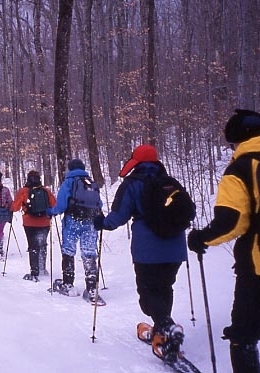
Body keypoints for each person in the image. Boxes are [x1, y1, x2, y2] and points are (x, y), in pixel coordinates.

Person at [187, 109, 260, 373]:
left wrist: (200, 238)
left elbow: (232, 221)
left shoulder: (240, 169)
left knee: (243, 336)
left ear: (238, 139)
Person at [93, 144, 186, 361]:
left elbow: (118, 216)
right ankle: (162, 328)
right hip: (175, 248)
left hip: (148, 249)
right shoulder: (171, 183)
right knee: (164, 287)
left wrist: (102, 223)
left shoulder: (133, 183)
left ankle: (166, 327)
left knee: (148, 294)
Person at [47, 159, 102, 302]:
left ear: (69, 169)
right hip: (90, 222)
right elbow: (99, 204)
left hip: (73, 221)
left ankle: (68, 284)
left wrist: (51, 212)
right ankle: (92, 289)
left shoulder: (68, 182)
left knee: (68, 251)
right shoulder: (90, 182)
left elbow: (61, 205)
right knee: (89, 253)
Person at [10, 170, 56, 281]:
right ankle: (42, 268)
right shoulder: (46, 191)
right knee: (42, 244)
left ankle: (34, 272)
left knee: (33, 245)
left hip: (29, 223)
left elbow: (15, 207)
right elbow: (55, 204)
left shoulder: (23, 191)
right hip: (44, 222)